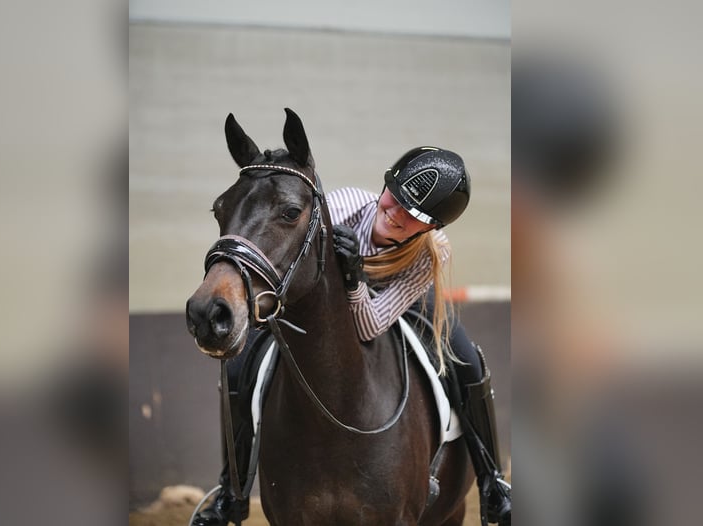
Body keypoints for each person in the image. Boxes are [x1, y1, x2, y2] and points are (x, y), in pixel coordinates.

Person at [193, 147, 511, 526]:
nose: (394, 215)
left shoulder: (431, 254)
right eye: (394, 199)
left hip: (398, 300)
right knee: (237, 367)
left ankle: (493, 483)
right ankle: (230, 491)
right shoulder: (345, 205)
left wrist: (355, 280)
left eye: (411, 216)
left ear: (430, 228)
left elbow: (370, 325)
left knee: (468, 360)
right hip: (326, 305)